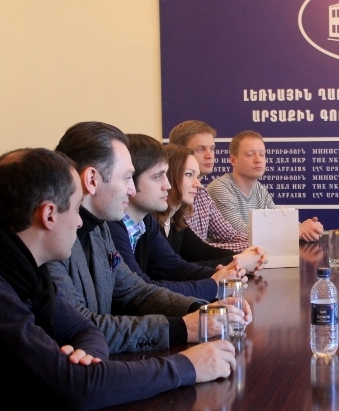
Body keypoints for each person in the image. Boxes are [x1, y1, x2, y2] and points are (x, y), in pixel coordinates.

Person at [0, 148, 236, 411]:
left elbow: (85, 330)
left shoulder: (21, 266)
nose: (78, 222)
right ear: (48, 215)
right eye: (75, 209)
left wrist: (86, 359)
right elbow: (78, 388)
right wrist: (187, 366)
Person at [47, 122, 252, 353]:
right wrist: (184, 327)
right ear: (92, 179)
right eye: (127, 178)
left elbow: (134, 291)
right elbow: (80, 328)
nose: (131, 189)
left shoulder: (98, 228)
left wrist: (200, 309)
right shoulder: (51, 239)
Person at [106, 135, 264, 301]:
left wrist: (227, 273)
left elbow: (173, 268)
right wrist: (216, 281)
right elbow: (140, 291)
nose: (167, 185)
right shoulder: (112, 226)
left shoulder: (146, 222)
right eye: (158, 176)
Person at [155, 143, 267, 270]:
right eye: (189, 174)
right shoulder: (150, 223)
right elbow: (173, 269)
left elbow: (204, 252)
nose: (198, 184)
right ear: (168, 176)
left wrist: (248, 255)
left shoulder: (176, 221)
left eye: (197, 176)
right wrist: (239, 261)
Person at [206, 130, 324, 242]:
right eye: (250, 154)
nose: (258, 160)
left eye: (262, 154)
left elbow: (278, 221)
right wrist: (296, 231)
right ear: (233, 160)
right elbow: (238, 234)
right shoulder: (220, 188)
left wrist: (309, 228)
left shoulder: (259, 189)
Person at [168, 120, 250, 252]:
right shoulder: (171, 196)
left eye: (212, 149)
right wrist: (255, 247)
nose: (209, 155)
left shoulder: (202, 194)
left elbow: (228, 235)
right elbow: (194, 251)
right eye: (200, 149)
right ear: (181, 152)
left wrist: (259, 243)